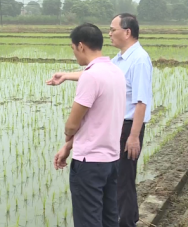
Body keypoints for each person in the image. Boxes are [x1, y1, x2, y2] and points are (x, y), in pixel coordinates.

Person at [49, 13, 153, 227]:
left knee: (119, 188)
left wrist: (134, 135)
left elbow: (142, 100)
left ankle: (128, 223)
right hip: (112, 142)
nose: (110, 33)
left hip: (115, 138)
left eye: (113, 29)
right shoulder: (116, 64)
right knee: (111, 200)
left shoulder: (139, 59)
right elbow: (97, 73)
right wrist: (67, 75)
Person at [53, 22, 126, 227]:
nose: (74, 53)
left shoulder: (91, 77)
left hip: (89, 163)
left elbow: (73, 124)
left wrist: (68, 137)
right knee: (109, 218)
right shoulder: (116, 72)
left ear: (81, 46)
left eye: (73, 48)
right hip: (111, 160)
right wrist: (69, 145)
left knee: (88, 221)